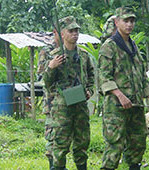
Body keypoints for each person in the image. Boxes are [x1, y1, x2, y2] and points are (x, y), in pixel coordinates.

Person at [98, 7, 149, 170]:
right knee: (115, 145)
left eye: (132, 21)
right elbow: (104, 76)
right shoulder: (109, 46)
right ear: (117, 22)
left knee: (137, 142)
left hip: (135, 105)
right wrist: (119, 95)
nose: (129, 24)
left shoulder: (133, 47)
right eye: (125, 21)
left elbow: (142, 77)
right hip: (116, 107)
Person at [43, 16, 94, 170]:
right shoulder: (55, 55)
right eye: (71, 31)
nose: (75, 34)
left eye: (77, 30)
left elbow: (91, 75)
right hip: (62, 105)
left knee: (82, 140)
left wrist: (90, 90)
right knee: (60, 142)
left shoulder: (83, 55)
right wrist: (51, 67)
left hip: (80, 103)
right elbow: (46, 83)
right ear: (62, 34)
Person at [36, 29, 59, 170]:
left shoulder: (73, 49)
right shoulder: (47, 51)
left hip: (70, 98)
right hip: (52, 99)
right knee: (52, 132)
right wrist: (51, 66)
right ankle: (52, 165)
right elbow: (41, 77)